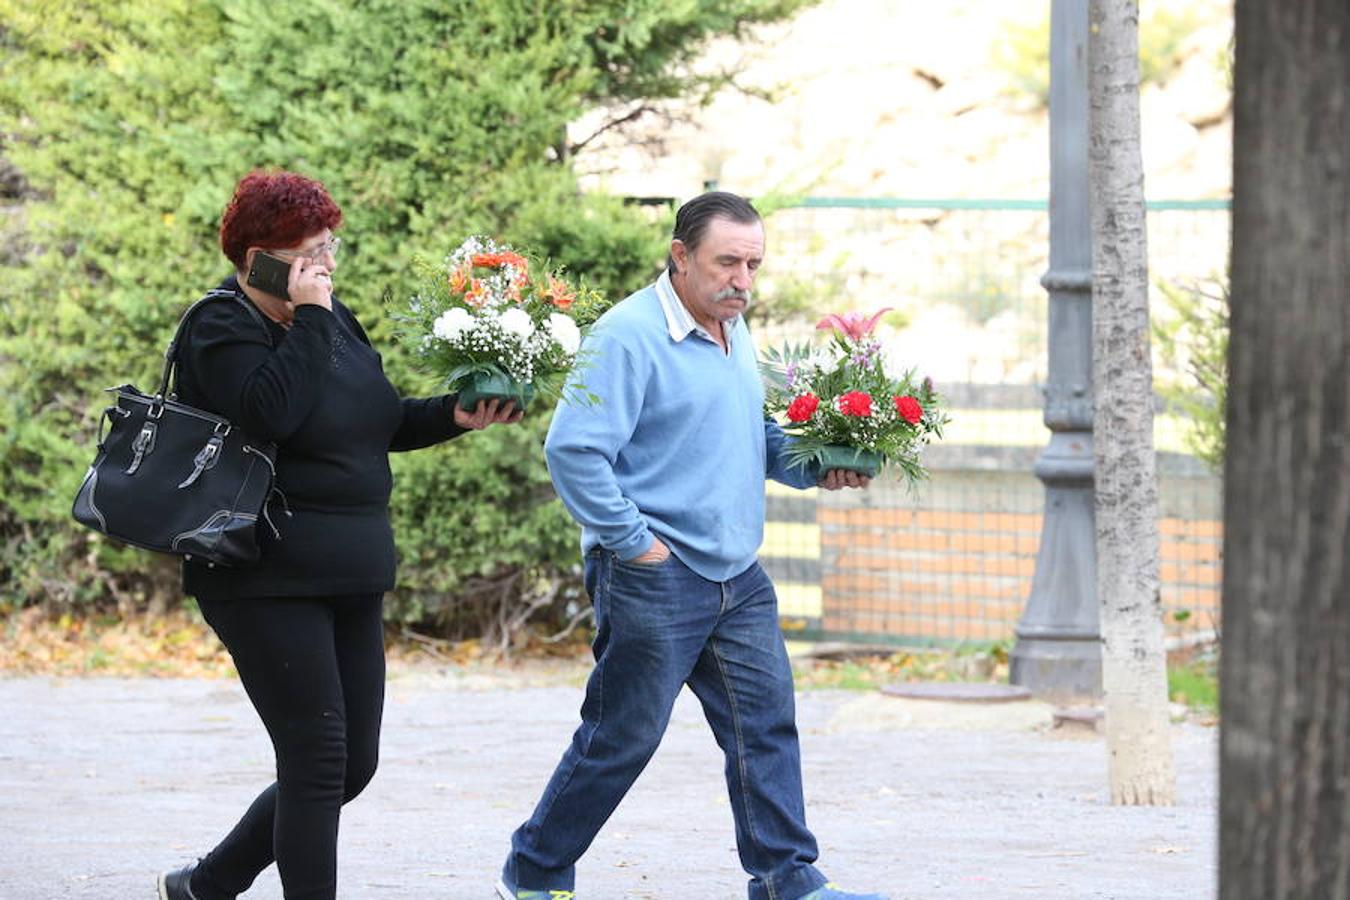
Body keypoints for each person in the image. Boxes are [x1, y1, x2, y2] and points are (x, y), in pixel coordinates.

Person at [496, 192, 887, 900]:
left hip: (737, 573)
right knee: (623, 736)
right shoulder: (626, 336)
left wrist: (815, 465)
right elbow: (573, 451)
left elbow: (755, 436)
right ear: (680, 256)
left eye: (753, 264)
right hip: (656, 574)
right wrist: (634, 544)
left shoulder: (735, 331)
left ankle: (785, 879)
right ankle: (535, 871)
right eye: (727, 262)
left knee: (765, 726)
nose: (743, 280)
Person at [157, 170, 521, 900]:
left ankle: (209, 884)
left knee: (352, 764)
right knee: (317, 758)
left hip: (352, 570)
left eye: (329, 248)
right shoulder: (220, 325)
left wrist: (452, 414)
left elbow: (374, 423)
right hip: (263, 572)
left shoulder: (334, 318)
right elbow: (270, 413)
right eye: (309, 254)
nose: (325, 265)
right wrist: (312, 316)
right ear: (259, 258)